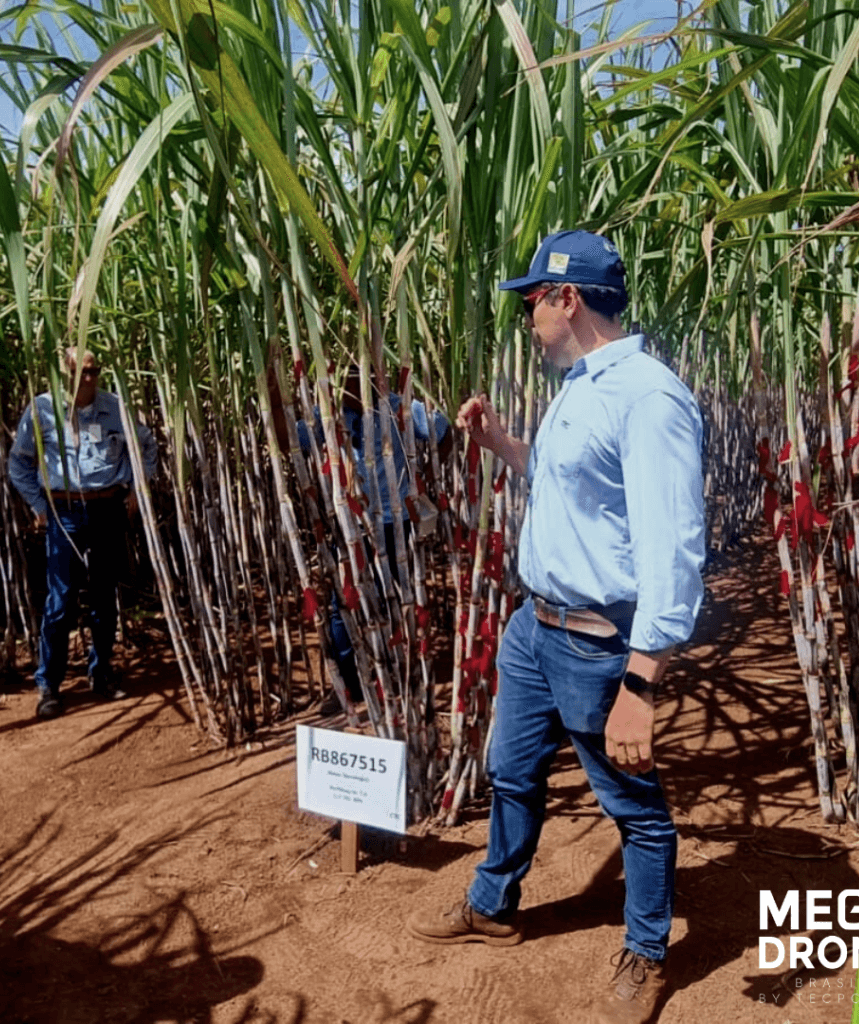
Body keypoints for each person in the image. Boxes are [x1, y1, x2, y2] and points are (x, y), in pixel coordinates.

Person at [406, 231, 705, 1024]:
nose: (526, 316)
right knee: (510, 773)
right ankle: (492, 905)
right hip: (533, 629)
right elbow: (570, 489)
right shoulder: (580, 383)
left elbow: (673, 552)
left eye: (531, 300)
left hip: (596, 644)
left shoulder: (649, 397)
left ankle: (645, 952)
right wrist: (502, 444)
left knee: (633, 808)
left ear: (566, 299)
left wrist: (640, 684)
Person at [9, 348, 157, 720]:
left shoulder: (115, 406)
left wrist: (138, 487)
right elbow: (19, 462)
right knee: (60, 600)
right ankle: (50, 684)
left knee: (105, 594)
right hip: (64, 512)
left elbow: (147, 445)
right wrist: (40, 507)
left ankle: (101, 671)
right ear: (64, 375)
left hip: (106, 507)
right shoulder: (41, 410)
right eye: (81, 373)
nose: (89, 379)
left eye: (94, 371)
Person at [297, 367, 450, 715]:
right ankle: (350, 684)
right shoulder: (330, 415)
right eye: (342, 380)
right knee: (343, 606)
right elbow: (294, 439)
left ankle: (394, 676)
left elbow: (443, 431)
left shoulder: (399, 409)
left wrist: (425, 475)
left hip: (395, 523)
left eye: (355, 378)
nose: (347, 387)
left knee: (393, 597)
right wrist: (276, 400)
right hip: (350, 526)